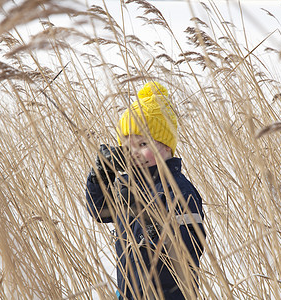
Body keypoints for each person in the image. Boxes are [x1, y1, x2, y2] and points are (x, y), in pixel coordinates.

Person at [85, 82, 205, 299]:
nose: (135, 153)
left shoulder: (179, 189)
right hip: (130, 290)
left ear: (166, 145)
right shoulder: (127, 183)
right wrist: (100, 177)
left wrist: (154, 230)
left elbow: (191, 246)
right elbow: (100, 212)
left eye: (143, 145)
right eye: (128, 145)